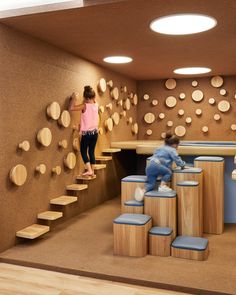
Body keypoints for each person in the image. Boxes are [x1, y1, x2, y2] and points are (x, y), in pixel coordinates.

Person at [135, 133, 185, 201]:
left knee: (151, 184)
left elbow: (159, 158)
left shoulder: (160, 147)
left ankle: (142, 191)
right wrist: (183, 165)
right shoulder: (172, 150)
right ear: (174, 144)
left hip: (149, 166)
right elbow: (177, 160)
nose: (177, 147)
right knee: (168, 172)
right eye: (177, 145)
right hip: (157, 166)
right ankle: (162, 186)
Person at [69, 86, 98, 176]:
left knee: (83, 151)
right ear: (94, 97)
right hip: (95, 133)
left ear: (85, 98)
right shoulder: (96, 105)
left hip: (87, 134)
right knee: (91, 152)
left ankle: (89, 170)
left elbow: (71, 108)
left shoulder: (84, 106)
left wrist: (74, 98)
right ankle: (92, 171)